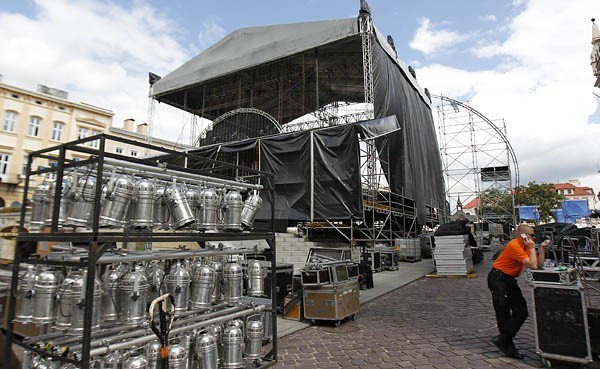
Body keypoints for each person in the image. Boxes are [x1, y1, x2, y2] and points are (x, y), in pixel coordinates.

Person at [487, 224, 550, 359]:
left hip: (509, 279)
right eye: (531, 235)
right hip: (498, 277)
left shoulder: (526, 246)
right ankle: (507, 344)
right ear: (522, 235)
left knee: (521, 310)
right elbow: (532, 265)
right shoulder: (514, 245)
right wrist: (532, 247)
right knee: (503, 310)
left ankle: (504, 339)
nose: (533, 237)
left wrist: (541, 248)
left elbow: (539, 264)